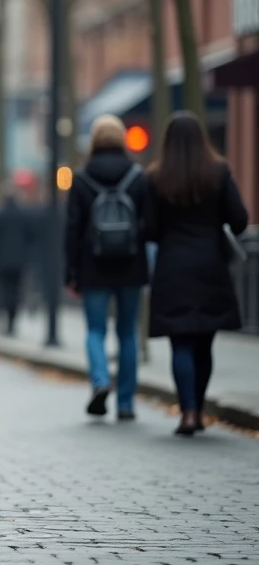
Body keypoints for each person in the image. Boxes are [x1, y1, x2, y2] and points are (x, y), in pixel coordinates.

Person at [145, 112, 250, 436]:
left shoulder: (156, 176)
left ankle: (188, 411)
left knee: (182, 344)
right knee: (205, 343)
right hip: (210, 267)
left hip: (173, 268)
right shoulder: (217, 171)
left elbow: (148, 228)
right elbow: (240, 219)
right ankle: (199, 409)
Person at [64, 115, 148, 420]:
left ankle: (100, 380)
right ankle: (126, 402)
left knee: (96, 330)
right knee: (127, 333)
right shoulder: (137, 176)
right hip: (130, 265)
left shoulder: (82, 178)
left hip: (93, 266)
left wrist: (70, 273)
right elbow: (148, 224)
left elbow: (72, 230)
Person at [0, 185, 34, 336]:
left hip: (2, 260)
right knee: (16, 290)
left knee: (5, 290)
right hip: (19, 260)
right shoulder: (24, 215)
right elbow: (30, 237)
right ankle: (12, 320)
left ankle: (6, 317)